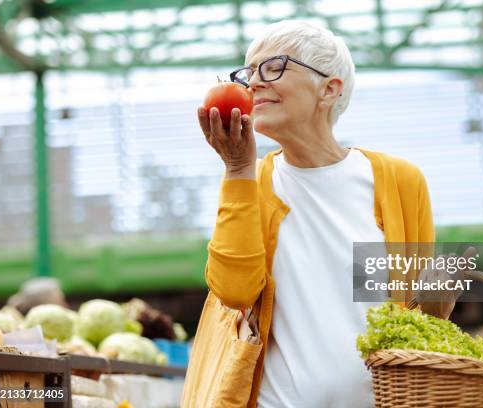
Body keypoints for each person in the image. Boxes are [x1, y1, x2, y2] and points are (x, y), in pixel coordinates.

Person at [196, 20, 458, 408]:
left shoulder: (399, 182)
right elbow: (235, 292)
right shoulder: (254, 181)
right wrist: (237, 169)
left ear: (329, 89)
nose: (253, 83)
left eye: (273, 67)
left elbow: (417, 316)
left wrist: (440, 294)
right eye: (250, 72)